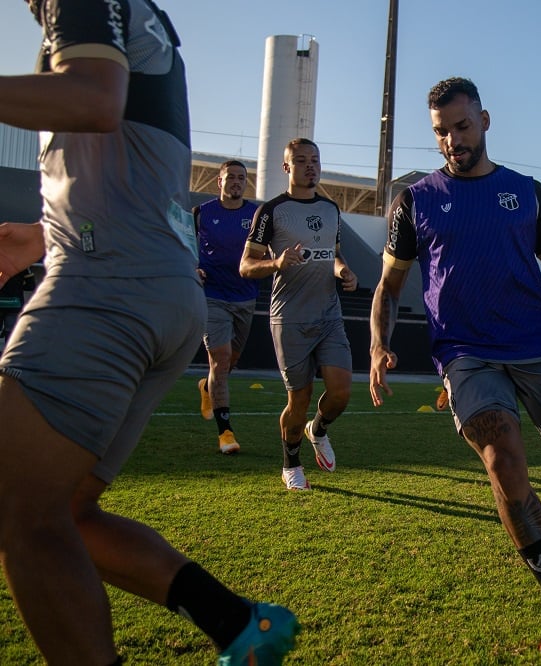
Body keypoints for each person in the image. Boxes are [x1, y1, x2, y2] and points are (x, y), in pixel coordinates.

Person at [0, 2, 299, 664]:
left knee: (19, 510)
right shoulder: (126, 19)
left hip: (105, 293)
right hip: (157, 292)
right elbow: (123, 153)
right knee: (69, 512)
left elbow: (94, 101)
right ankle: (240, 624)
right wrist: (43, 239)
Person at [369, 77, 541, 657]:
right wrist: (378, 344)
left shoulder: (527, 192)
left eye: (462, 127)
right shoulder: (415, 200)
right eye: (441, 132)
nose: (452, 141)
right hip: (465, 353)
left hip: (537, 345)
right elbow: (389, 285)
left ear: (486, 121)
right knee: (504, 464)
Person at [240, 138, 356, 491]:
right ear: (286, 167)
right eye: (301, 160)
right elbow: (245, 266)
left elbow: (332, 255)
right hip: (289, 318)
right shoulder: (271, 212)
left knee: (341, 393)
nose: (310, 166)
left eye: (315, 160)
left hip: (328, 315)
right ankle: (291, 462)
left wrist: (343, 271)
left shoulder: (331, 209)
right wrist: (276, 262)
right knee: (299, 400)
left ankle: (317, 430)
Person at [194, 160, 260, 454]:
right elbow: (183, 245)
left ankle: (207, 388)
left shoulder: (257, 214)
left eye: (241, 178)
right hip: (212, 295)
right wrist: (192, 267)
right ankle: (226, 433)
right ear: (218, 182)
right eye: (230, 177)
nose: (236, 181)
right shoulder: (201, 213)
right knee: (219, 361)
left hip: (245, 297)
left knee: (230, 363)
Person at [0, 267, 33, 349]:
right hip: (14, 304)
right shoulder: (23, 265)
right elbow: (31, 285)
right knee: (11, 332)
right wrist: (18, 287)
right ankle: (8, 356)